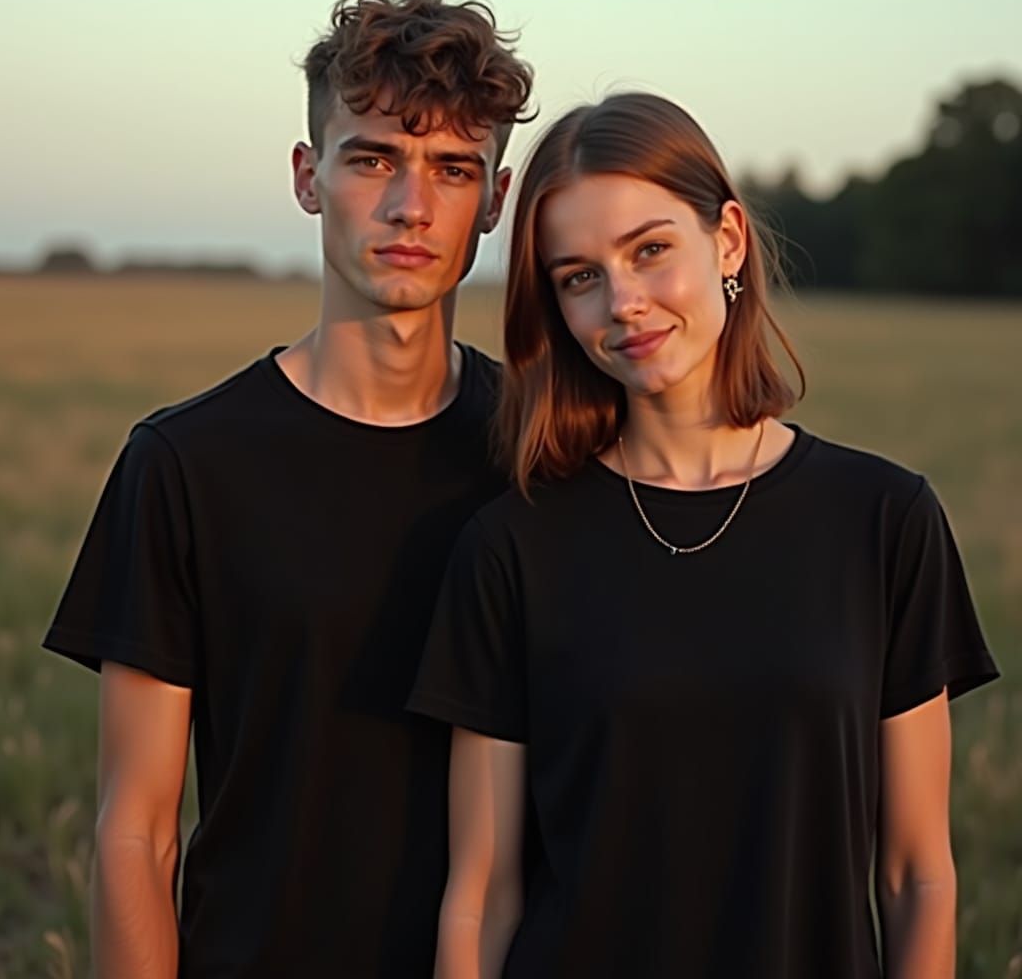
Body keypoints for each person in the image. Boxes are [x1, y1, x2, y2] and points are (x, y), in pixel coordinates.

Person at [408, 92, 999, 978]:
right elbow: (483, 894)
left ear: (726, 241)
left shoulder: (883, 520)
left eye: (650, 251)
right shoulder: (512, 547)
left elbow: (917, 876)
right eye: (579, 277)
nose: (625, 303)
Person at [42, 0, 532, 978]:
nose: (409, 204)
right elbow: (135, 829)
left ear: (496, 199)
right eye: (373, 159)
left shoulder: (540, 458)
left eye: (451, 167)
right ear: (310, 176)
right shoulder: (184, 464)